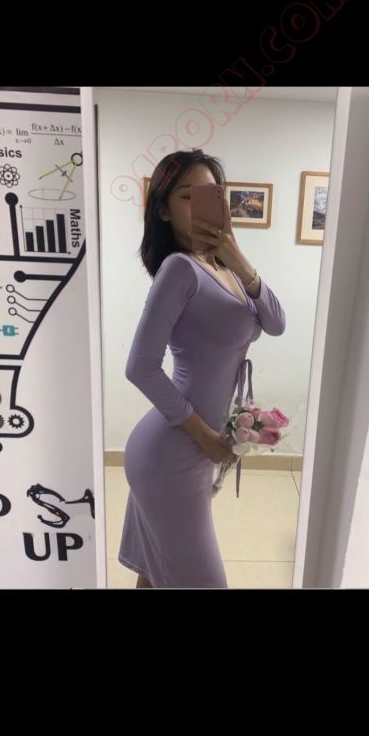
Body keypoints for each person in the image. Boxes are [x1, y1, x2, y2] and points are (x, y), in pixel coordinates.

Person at [118, 149, 286, 588]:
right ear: (164, 210)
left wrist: (237, 256)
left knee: (154, 574)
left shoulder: (225, 269)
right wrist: (207, 438)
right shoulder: (180, 269)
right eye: (187, 196)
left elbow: (276, 322)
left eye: (211, 195)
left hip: (190, 448)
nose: (202, 205)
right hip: (171, 452)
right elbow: (140, 367)